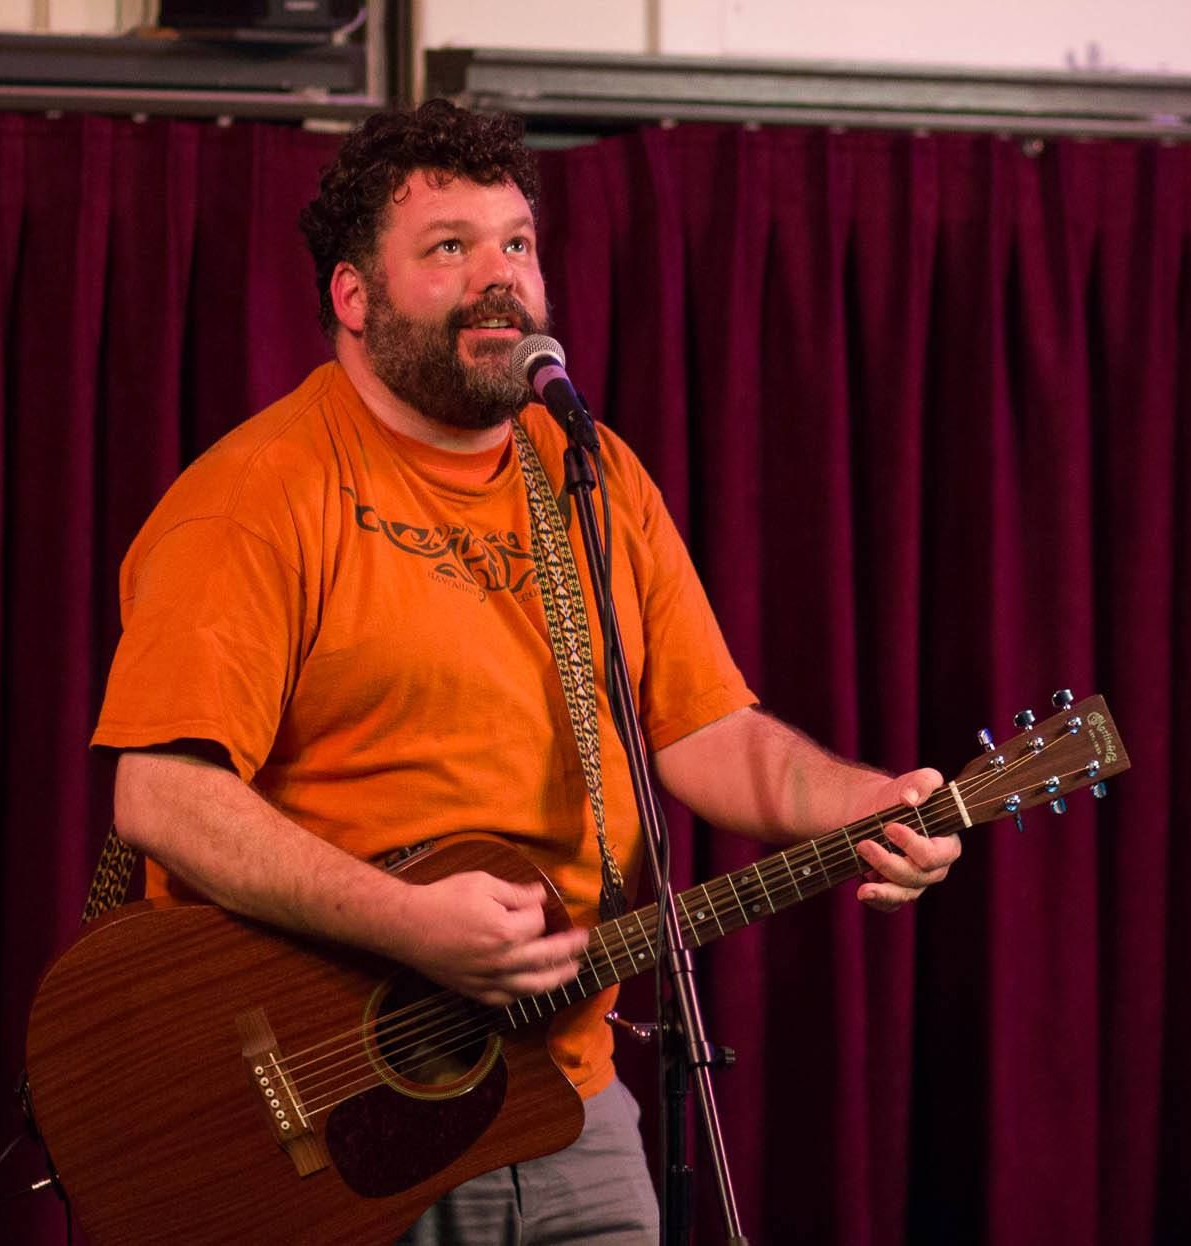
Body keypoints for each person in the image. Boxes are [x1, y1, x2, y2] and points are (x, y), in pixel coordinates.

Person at [92, 99, 960, 1244]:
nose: (499, 277)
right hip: (336, 1103)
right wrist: (408, 922)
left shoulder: (590, 478)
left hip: (565, 1092)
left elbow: (703, 728)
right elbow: (161, 793)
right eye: (449, 247)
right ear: (353, 296)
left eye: (516, 244)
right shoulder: (257, 496)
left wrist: (860, 802)